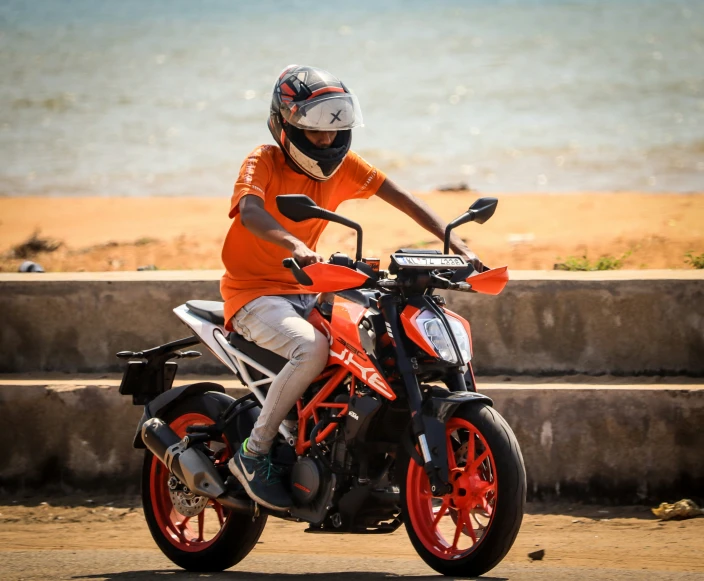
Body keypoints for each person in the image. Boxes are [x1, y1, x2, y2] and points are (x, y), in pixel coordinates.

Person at [222, 65, 483, 511]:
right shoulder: (263, 160)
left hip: (312, 286)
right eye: (315, 134)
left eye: (334, 133)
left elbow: (404, 199)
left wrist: (456, 244)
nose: (326, 143)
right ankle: (254, 452)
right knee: (312, 350)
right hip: (255, 293)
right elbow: (250, 211)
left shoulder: (344, 167)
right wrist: (295, 244)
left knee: (374, 347)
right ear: (285, 127)